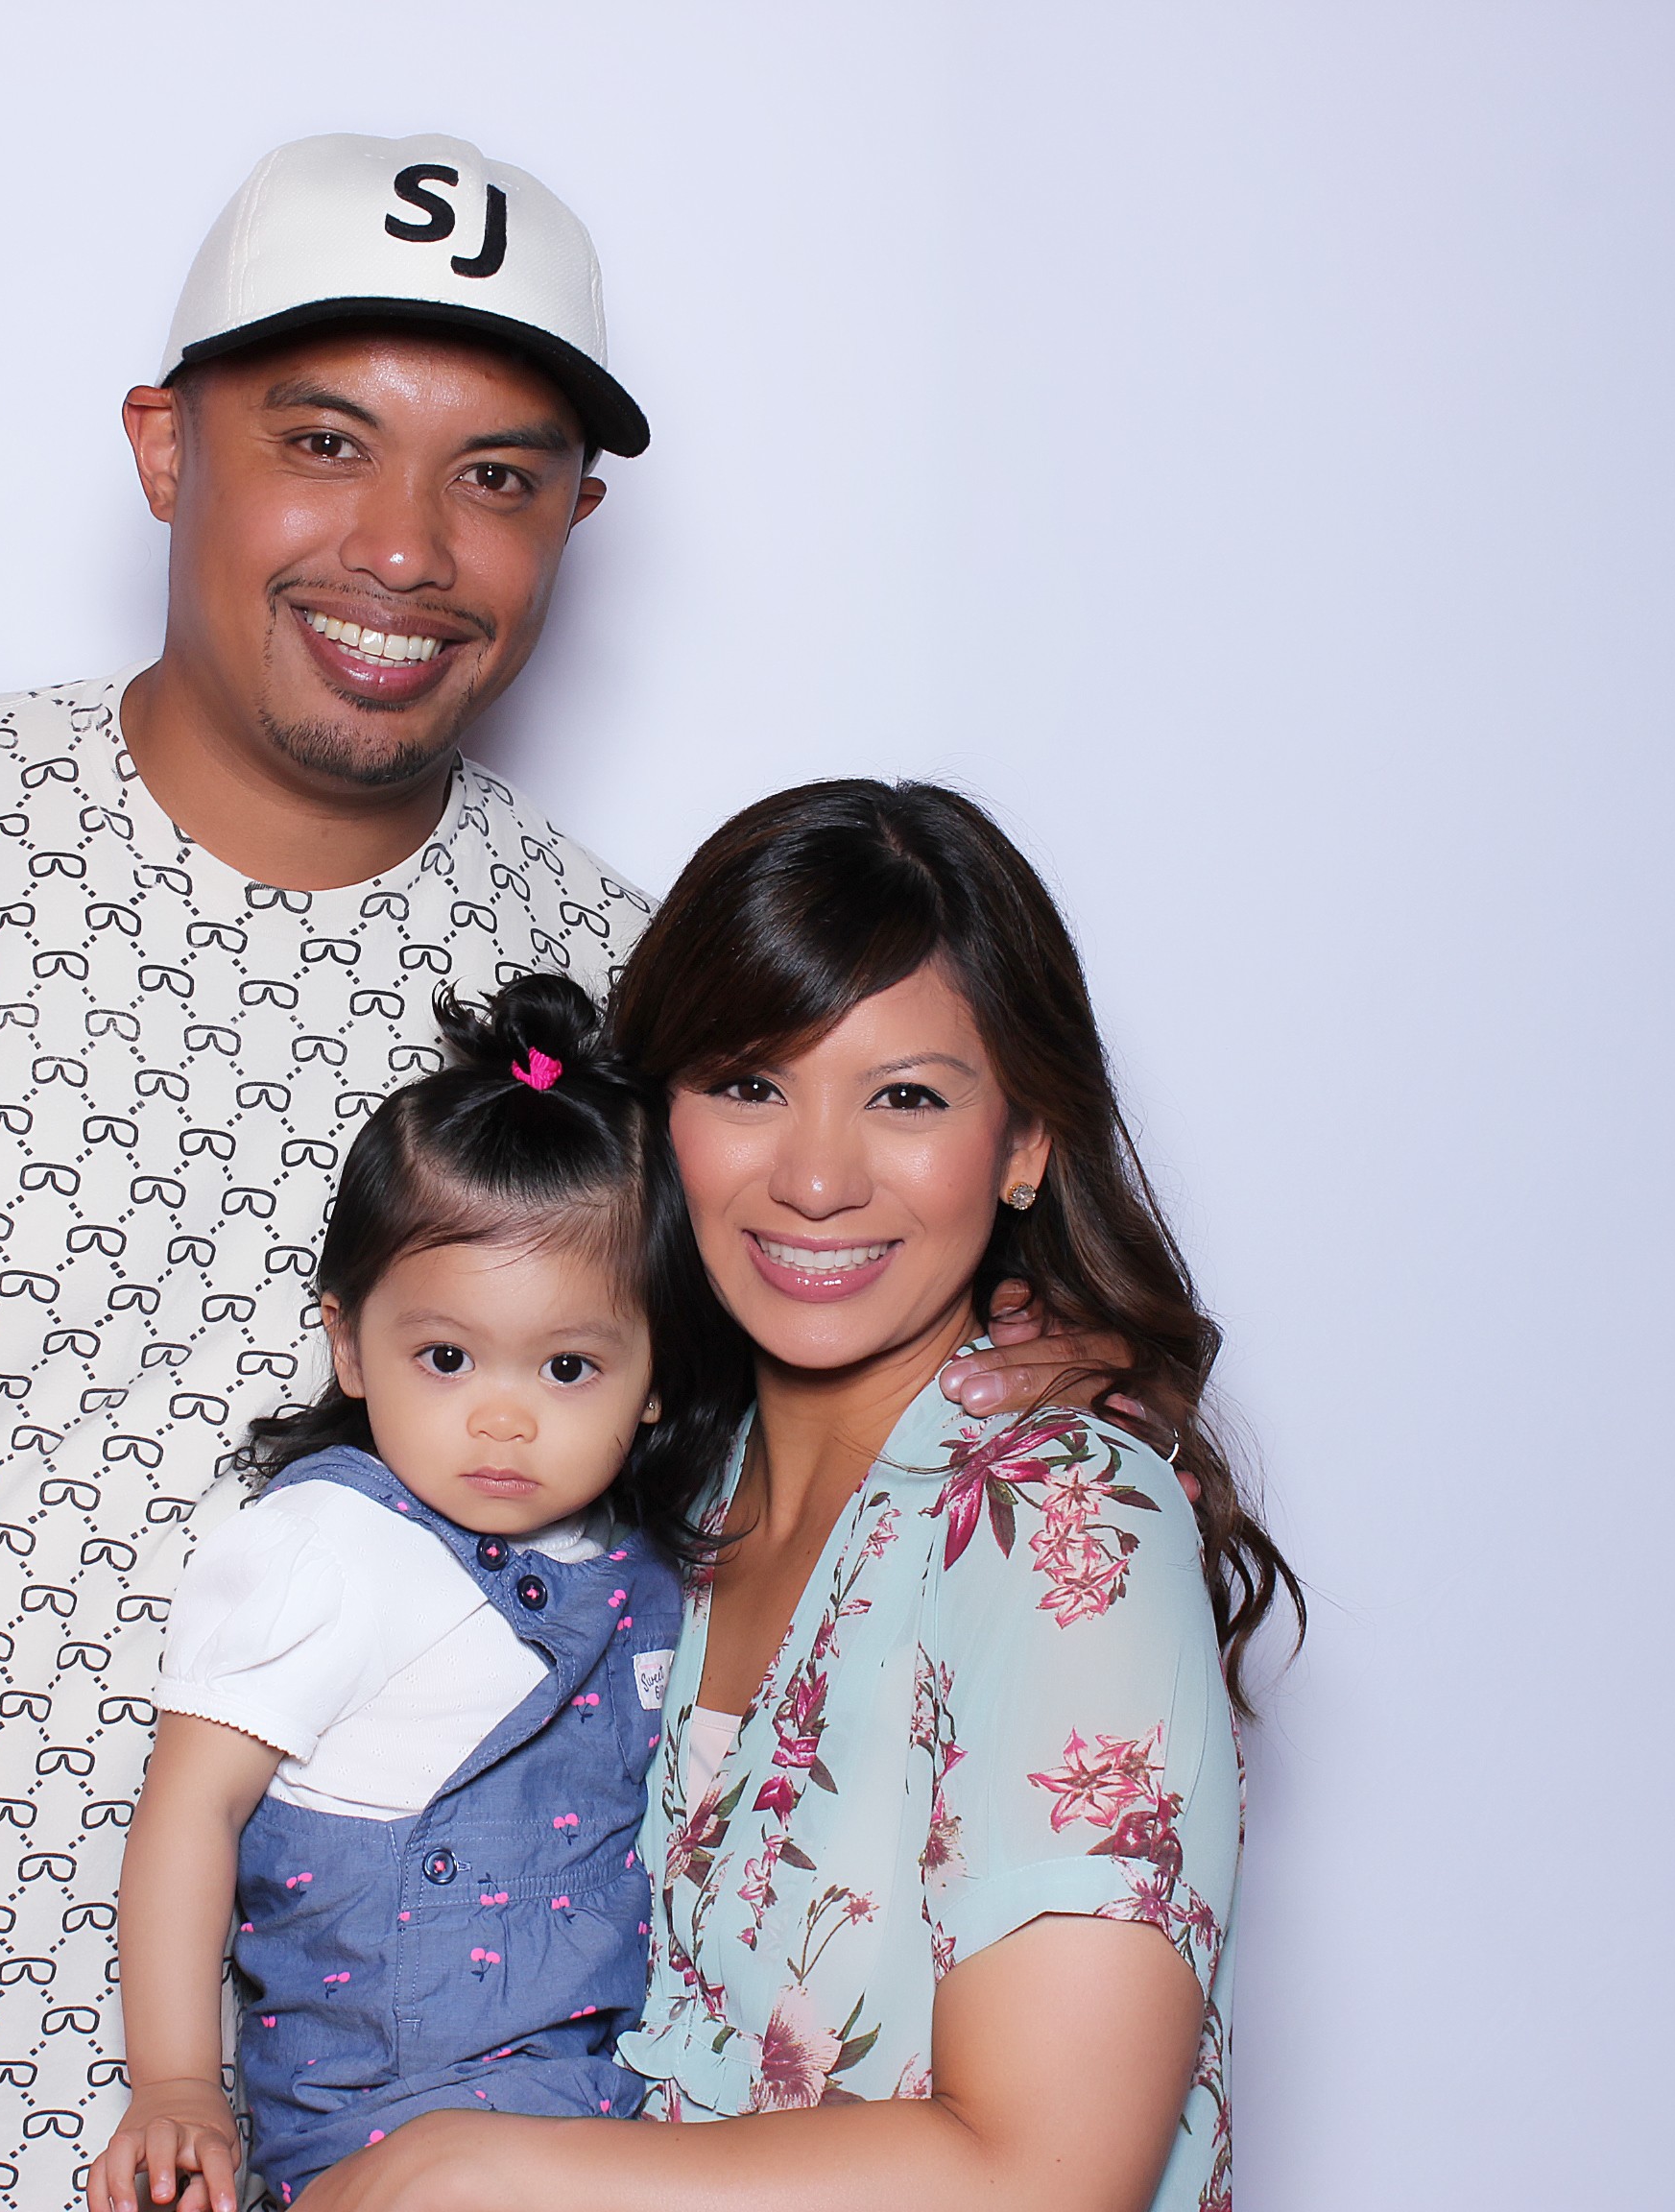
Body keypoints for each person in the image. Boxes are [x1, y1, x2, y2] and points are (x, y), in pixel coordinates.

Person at [0, 136, 1100, 2212]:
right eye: (324, 440)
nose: (406, 545)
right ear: (165, 445)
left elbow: (814, 1469)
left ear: (577, 522)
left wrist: (1040, 1398)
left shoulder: (635, 1010)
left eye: (497, 475)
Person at [299, 781, 1299, 2212]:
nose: (818, 1178)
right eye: (749, 1084)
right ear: (657, 1122)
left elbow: (1053, 2172)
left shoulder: (1063, 1520)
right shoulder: (638, 1483)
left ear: (1025, 1142)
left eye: (908, 1098)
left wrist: (480, 2166)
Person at [88, 976, 725, 2212]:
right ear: (349, 1344)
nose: (502, 1416)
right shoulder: (328, 1547)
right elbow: (190, 1809)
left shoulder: (651, 1556)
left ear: (656, 1375)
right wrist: (175, 2083)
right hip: (377, 2132)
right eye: (446, 1357)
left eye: (568, 1367)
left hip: (611, 2114)